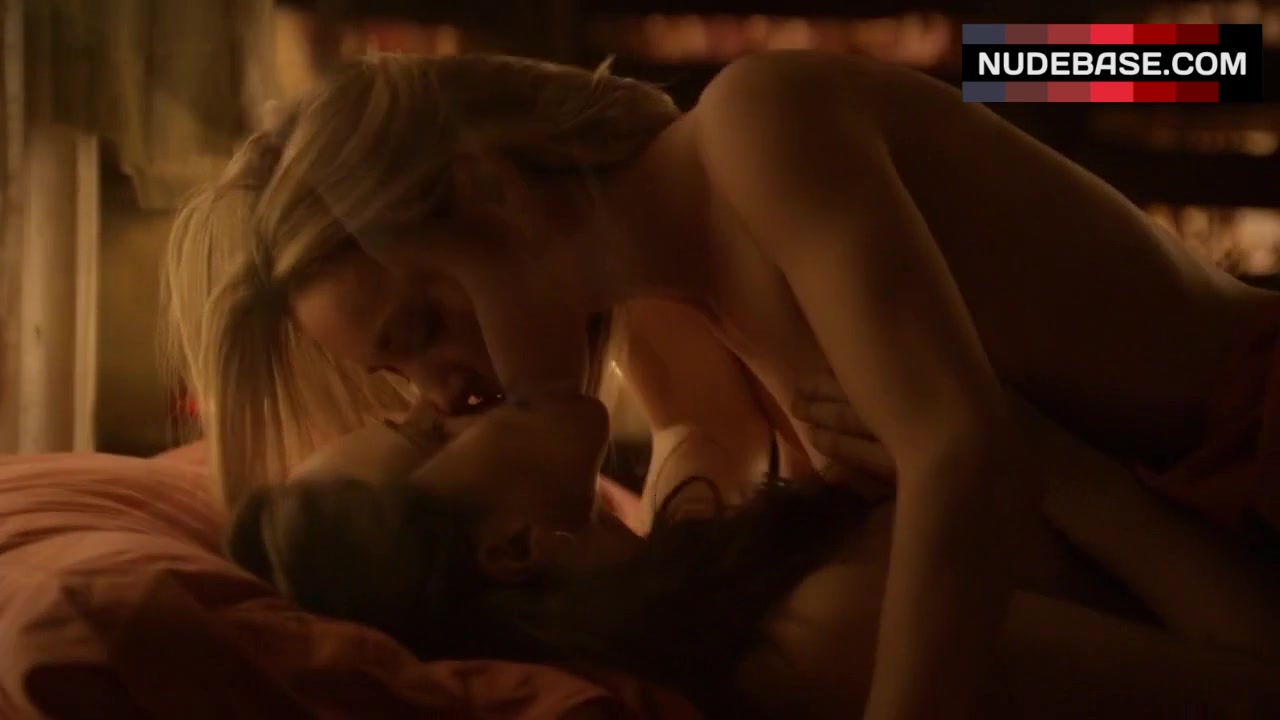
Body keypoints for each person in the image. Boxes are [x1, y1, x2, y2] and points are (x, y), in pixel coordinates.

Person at [163, 50, 1280, 716]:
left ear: (489, 192)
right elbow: (701, 447)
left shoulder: (753, 127)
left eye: (425, 328)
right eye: (399, 377)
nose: (444, 390)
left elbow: (962, 453)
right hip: (1199, 538)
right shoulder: (656, 299)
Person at [225, 391, 1280, 719]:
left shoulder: (698, 559)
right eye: (431, 436)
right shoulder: (812, 636)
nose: (450, 396)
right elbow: (1251, 689)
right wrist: (1041, 462)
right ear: (511, 547)